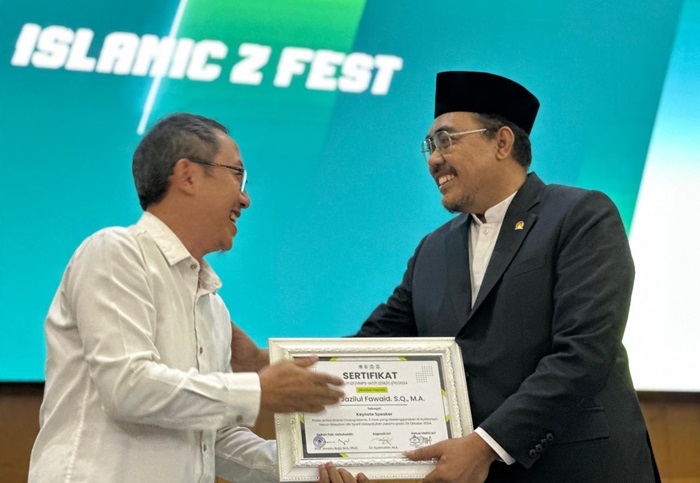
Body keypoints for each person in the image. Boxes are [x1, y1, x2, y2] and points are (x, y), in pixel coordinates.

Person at [353, 71, 660, 482]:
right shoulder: (432, 250)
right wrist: (280, 366)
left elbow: (584, 353)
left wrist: (484, 446)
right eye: (429, 145)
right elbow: (372, 348)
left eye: (445, 139)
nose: (433, 159)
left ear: (502, 142)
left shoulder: (580, 216)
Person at [28, 113, 353, 483]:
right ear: (188, 175)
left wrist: (312, 469)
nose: (245, 199)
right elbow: (127, 386)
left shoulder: (213, 305)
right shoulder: (115, 251)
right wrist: (259, 390)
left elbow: (213, 438)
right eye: (238, 175)